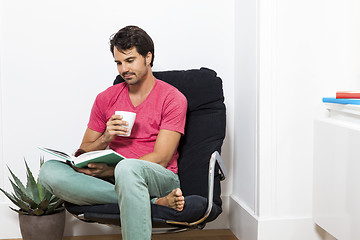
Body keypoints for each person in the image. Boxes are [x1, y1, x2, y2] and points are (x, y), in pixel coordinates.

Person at [39, 25, 188, 240]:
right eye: (118, 62)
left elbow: (162, 158)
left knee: (128, 168)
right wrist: (106, 138)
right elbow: (83, 152)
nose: (123, 69)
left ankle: (140, 194)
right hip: (116, 178)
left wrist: (111, 171)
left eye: (130, 60)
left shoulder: (172, 98)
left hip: (160, 177)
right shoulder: (106, 98)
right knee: (50, 171)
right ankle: (151, 202)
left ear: (148, 57)